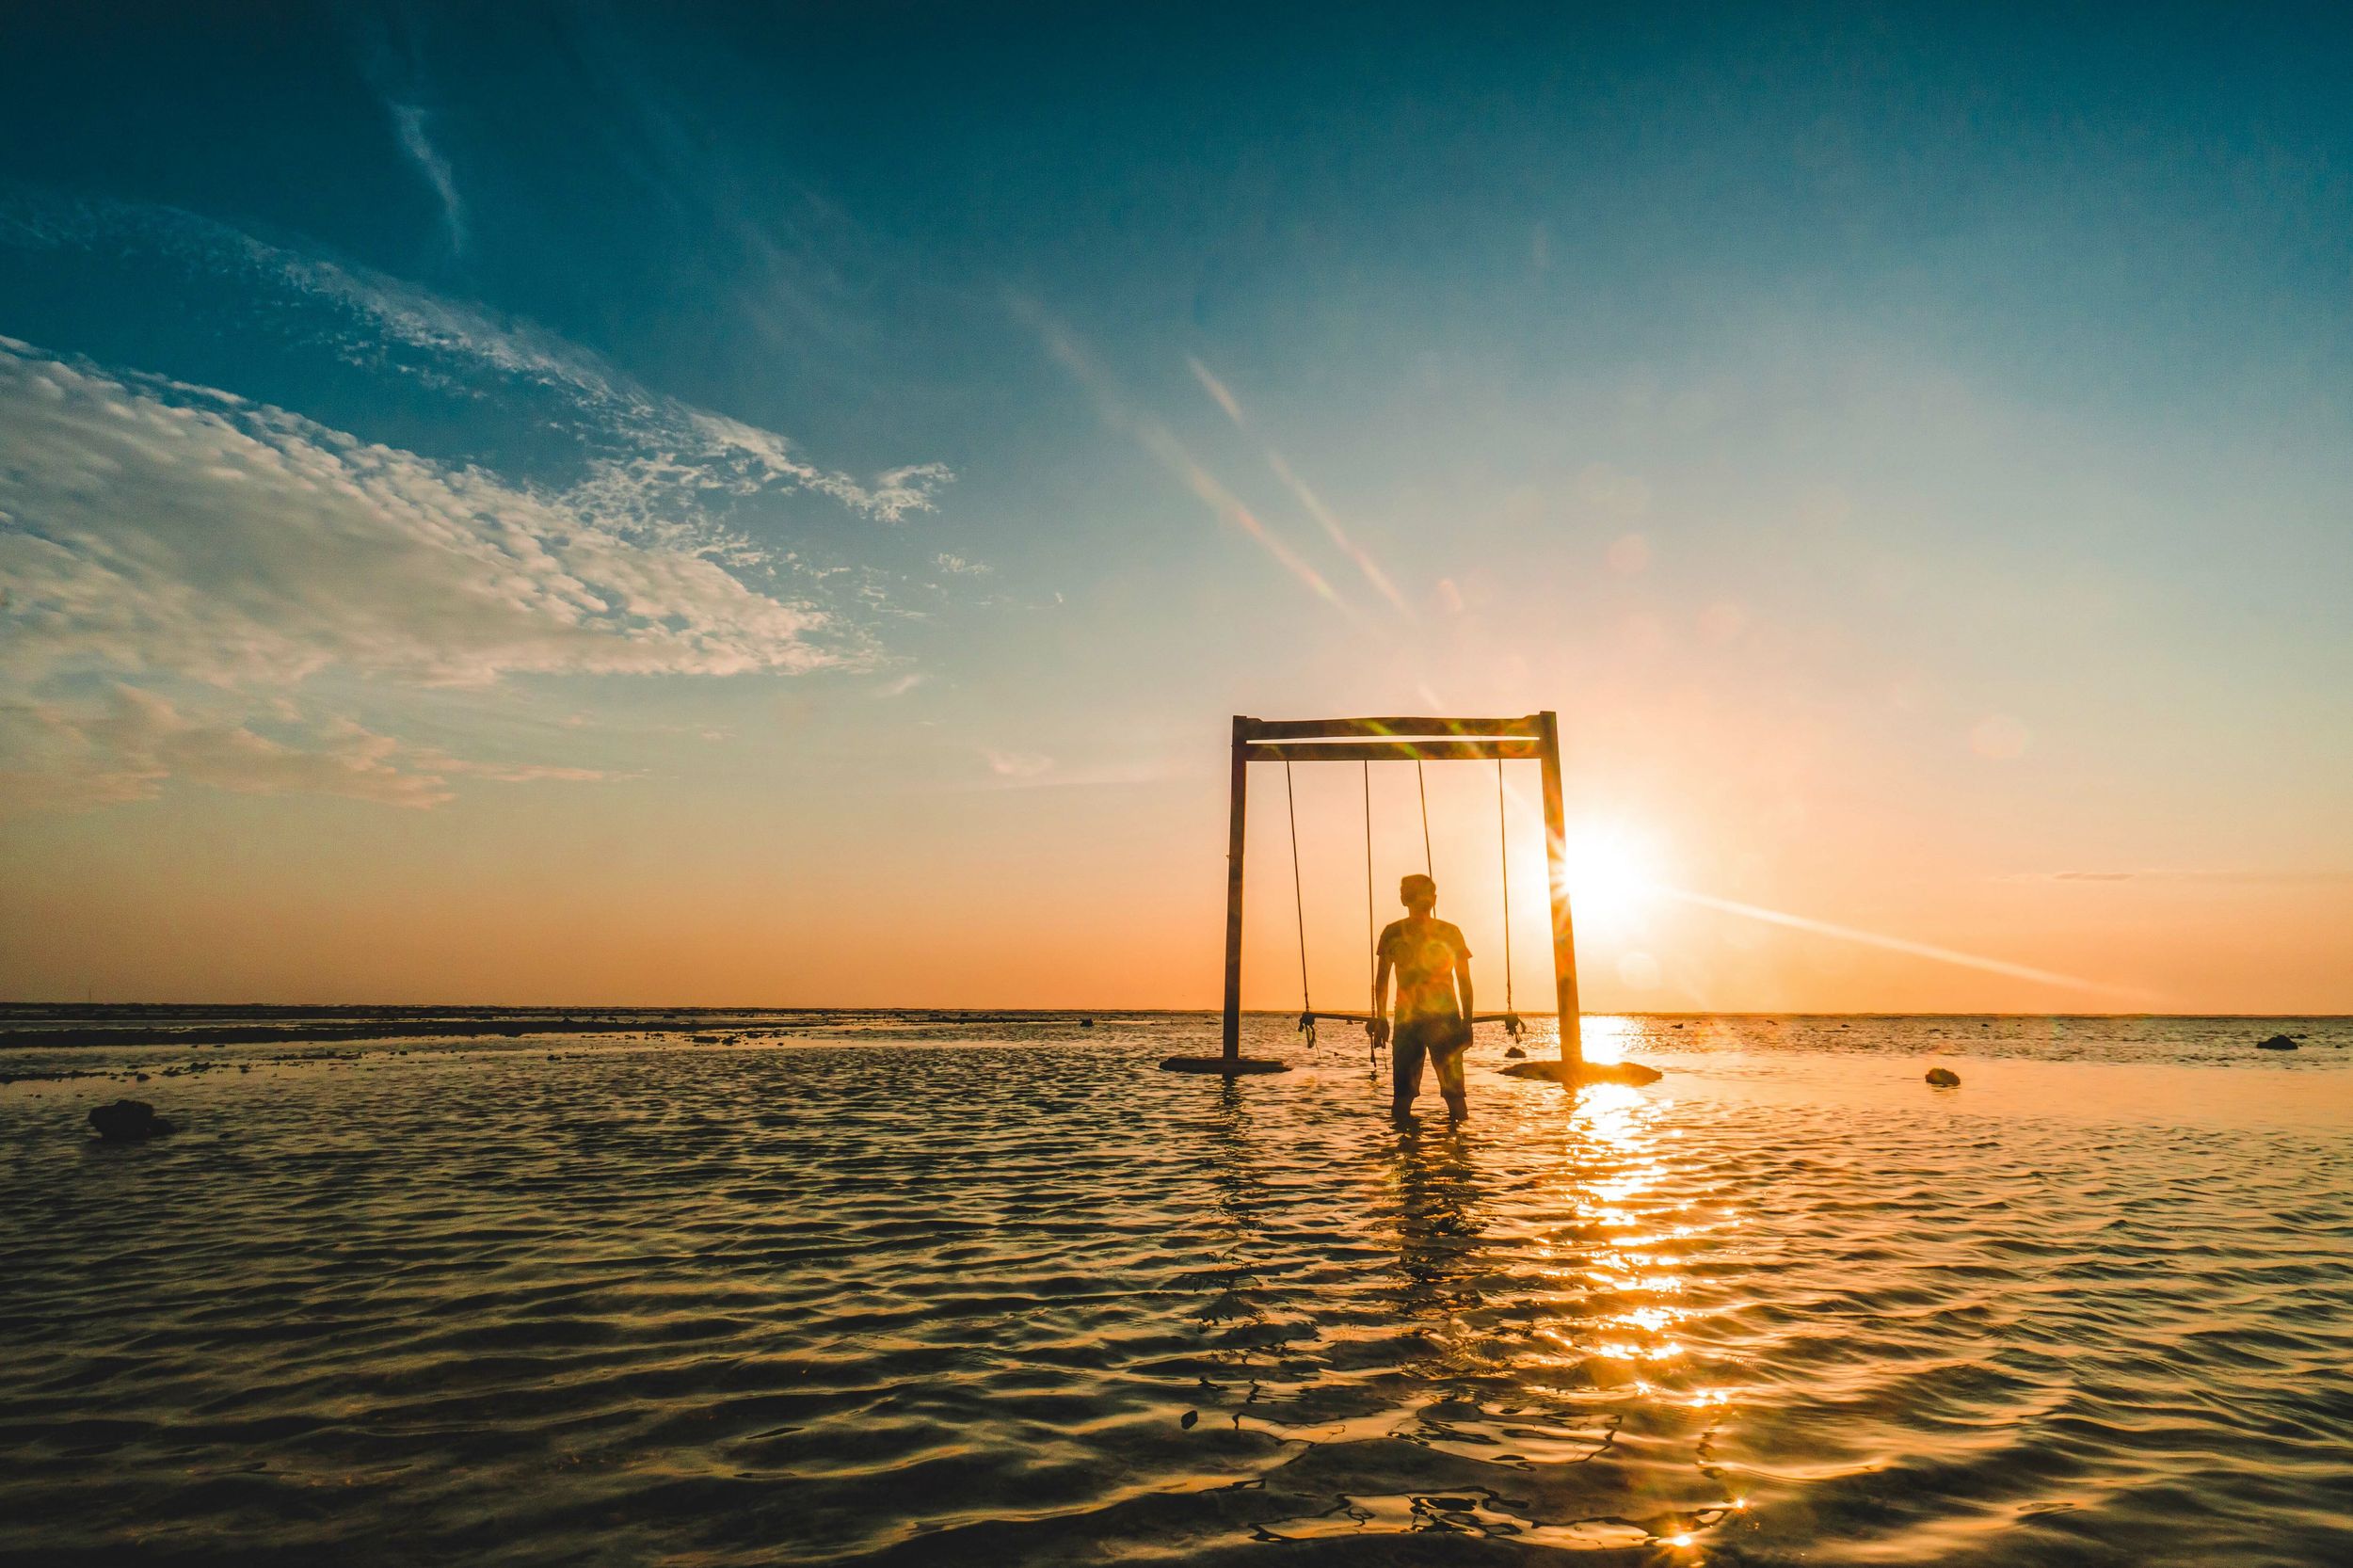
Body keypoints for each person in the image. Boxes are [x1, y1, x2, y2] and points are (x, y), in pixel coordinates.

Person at [1370, 873, 1473, 1120]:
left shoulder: (1397, 932)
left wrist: (1382, 1018)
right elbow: (1464, 982)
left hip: (1423, 1020)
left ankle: (1407, 1152)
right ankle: (1458, 1152)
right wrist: (1467, 1022)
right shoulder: (1445, 932)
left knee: (1417, 1098)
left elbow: (1382, 981)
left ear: (1404, 898)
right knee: (1449, 1097)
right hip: (1430, 1019)